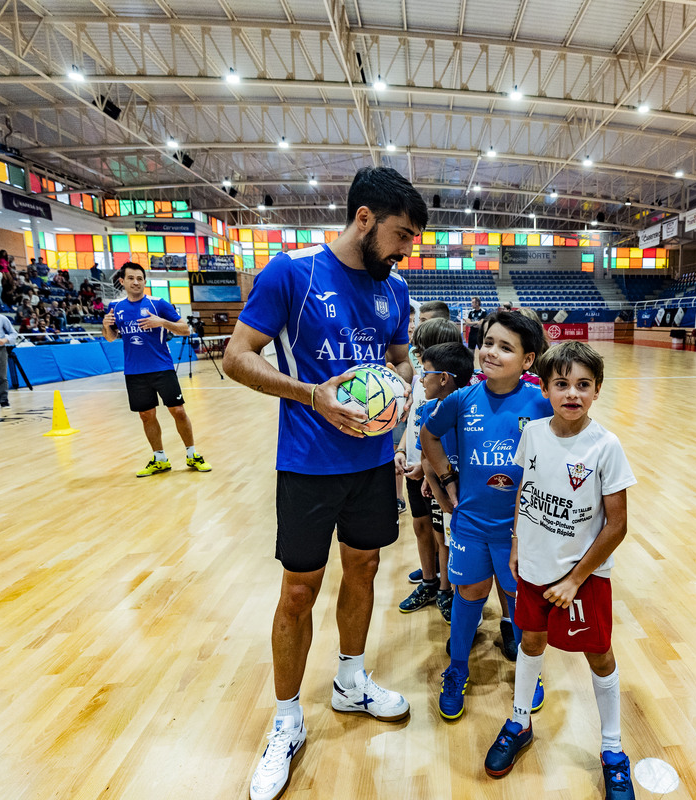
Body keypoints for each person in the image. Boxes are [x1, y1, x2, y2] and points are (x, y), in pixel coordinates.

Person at [221, 166, 427, 800]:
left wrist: (402, 384)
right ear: (363, 218)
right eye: (400, 234)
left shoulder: (393, 291)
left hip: (371, 466)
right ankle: (286, 720)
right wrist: (313, 394)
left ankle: (350, 680)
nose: (405, 250)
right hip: (308, 465)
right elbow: (236, 358)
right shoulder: (292, 274)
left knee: (363, 571)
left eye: (412, 239)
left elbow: (398, 356)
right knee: (298, 590)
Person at [483, 341, 638, 799]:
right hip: (532, 568)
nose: (573, 393)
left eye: (583, 385)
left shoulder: (605, 446)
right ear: (546, 388)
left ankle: (612, 750)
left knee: (599, 655)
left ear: (597, 390)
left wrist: (574, 579)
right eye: (562, 384)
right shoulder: (531, 432)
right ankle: (519, 720)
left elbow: (618, 525)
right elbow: (524, 490)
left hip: (581, 578)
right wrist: (515, 541)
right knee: (530, 641)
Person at [421, 310, 552, 721]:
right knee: (470, 594)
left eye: (505, 347)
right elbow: (429, 434)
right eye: (487, 343)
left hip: (520, 528)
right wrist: (445, 477)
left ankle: (529, 672)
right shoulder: (461, 399)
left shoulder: (541, 401)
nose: (491, 352)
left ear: (528, 360)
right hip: (472, 524)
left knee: (517, 598)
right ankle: (457, 669)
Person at [101, 262, 211, 477]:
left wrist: (161, 322)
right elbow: (111, 337)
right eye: (131, 278)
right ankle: (159, 458)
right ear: (122, 281)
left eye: (140, 278)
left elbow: (185, 329)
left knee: (178, 411)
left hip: (162, 368)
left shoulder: (158, 303)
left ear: (145, 281)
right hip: (134, 372)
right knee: (146, 415)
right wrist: (106, 326)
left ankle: (192, 454)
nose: (136, 282)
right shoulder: (115, 307)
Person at [396, 328, 470, 621]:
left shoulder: (464, 406)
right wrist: (405, 452)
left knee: (453, 544)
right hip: (426, 476)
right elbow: (419, 436)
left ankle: (453, 592)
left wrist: (437, 481)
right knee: (428, 531)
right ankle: (434, 584)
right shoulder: (423, 388)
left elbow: (435, 453)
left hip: (454, 488)